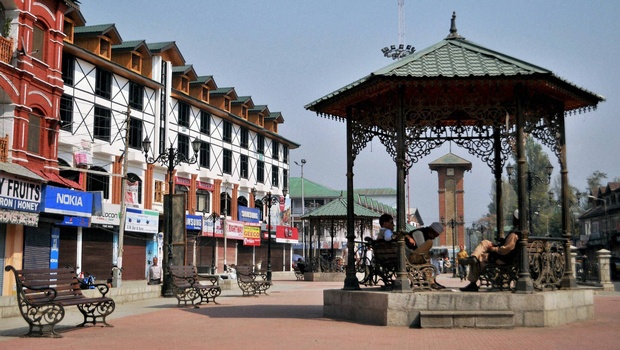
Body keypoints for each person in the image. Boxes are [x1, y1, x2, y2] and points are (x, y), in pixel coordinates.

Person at [459, 211, 520, 292]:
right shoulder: (519, 232)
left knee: (478, 260)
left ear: (516, 219)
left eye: (513, 218)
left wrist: (494, 249)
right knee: (485, 242)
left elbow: (506, 249)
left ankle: (473, 281)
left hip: (502, 259)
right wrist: (501, 242)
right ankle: (473, 257)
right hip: (505, 257)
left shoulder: (514, 234)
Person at [404, 222, 445, 289]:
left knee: (429, 257)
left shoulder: (424, 233)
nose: (434, 238)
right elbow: (422, 250)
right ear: (432, 231)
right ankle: (430, 281)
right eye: (435, 235)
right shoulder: (419, 233)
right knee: (428, 247)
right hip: (410, 257)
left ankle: (432, 281)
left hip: (411, 256)